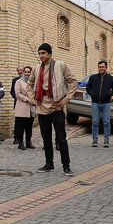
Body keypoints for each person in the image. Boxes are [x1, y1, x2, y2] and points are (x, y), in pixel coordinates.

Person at [26, 43, 77, 176]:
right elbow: (29, 84)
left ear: (49, 54)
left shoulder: (61, 65)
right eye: (39, 53)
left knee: (61, 138)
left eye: (43, 53)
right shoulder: (36, 68)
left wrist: (66, 99)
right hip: (42, 106)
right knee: (46, 138)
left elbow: (73, 81)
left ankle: (66, 165)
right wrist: (32, 98)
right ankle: (49, 163)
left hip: (56, 106)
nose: (41, 56)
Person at [86, 61, 113, 147]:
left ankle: (106, 141)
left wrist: (110, 94)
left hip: (106, 103)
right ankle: (95, 140)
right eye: (99, 67)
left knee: (106, 122)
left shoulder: (111, 79)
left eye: (103, 67)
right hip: (95, 103)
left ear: (106, 67)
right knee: (95, 122)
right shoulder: (93, 77)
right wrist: (92, 93)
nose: (101, 68)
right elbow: (88, 88)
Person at [14, 66, 35, 150]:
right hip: (22, 106)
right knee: (20, 127)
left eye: (28, 72)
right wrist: (27, 99)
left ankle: (28, 142)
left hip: (31, 107)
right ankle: (21, 143)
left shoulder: (33, 82)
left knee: (29, 127)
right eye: (25, 72)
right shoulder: (18, 81)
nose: (27, 73)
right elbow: (18, 94)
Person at [10, 66, 24, 144]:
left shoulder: (28, 80)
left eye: (21, 70)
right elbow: (12, 91)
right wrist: (16, 97)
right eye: (18, 70)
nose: (19, 72)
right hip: (17, 102)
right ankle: (16, 138)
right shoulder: (14, 80)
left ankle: (26, 138)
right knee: (17, 121)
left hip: (26, 103)